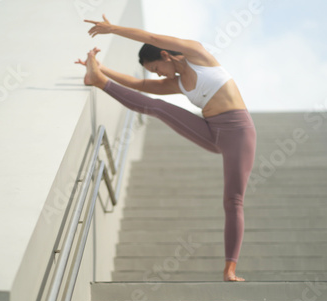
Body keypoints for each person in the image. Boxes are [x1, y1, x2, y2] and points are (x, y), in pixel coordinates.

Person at [76, 15, 256, 282]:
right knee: (157, 106)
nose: (157, 74)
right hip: (210, 132)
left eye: (156, 67)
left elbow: (151, 38)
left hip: (238, 133)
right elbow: (141, 85)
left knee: (233, 201)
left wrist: (112, 29)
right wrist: (103, 69)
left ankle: (230, 268)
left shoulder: (197, 54)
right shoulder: (177, 83)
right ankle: (98, 80)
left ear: (165, 55)